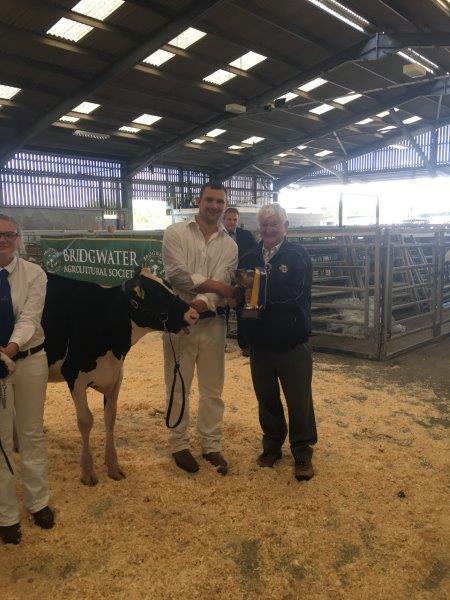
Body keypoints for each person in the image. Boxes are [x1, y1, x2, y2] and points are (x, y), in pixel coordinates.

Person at [238, 203, 317, 481]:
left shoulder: (297, 256)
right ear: (259, 227)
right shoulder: (248, 257)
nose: (269, 229)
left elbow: (295, 296)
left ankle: (302, 452)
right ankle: (271, 447)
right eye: (265, 224)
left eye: (274, 224)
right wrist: (243, 337)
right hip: (261, 343)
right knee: (266, 399)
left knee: (299, 399)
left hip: (292, 341)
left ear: (285, 226)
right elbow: (241, 300)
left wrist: (260, 297)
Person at [162, 182, 238, 474]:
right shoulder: (176, 233)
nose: (215, 206)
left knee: (212, 388)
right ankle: (179, 444)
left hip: (212, 324)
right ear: (199, 200)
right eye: (210, 200)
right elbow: (176, 274)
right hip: (178, 324)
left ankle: (211, 444)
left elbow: (219, 284)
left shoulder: (229, 245)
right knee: (177, 385)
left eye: (220, 201)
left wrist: (201, 303)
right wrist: (220, 288)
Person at [0, 214, 53, 544]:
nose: (3, 240)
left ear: (18, 239)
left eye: (9, 234)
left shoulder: (34, 274)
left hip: (30, 359)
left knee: (31, 431)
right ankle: (6, 513)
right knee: (1, 438)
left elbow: (30, 318)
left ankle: (38, 502)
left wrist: (8, 352)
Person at [223, 207, 256, 357]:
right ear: (224, 220)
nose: (232, 222)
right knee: (221, 311)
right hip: (221, 278)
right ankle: (220, 343)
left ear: (238, 220)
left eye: (235, 219)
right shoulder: (217, 235)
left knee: (243, 312)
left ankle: (245, 345)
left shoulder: (246, 236)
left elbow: (256, 253)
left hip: (242, 279)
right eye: (229, 219)